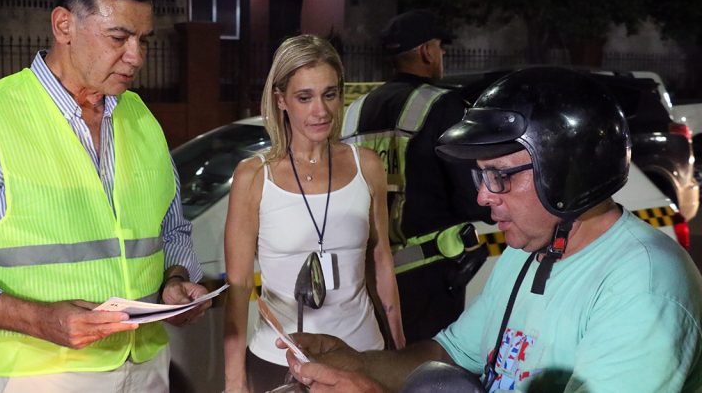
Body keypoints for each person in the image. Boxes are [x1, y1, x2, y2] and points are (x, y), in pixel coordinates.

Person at [280, 67, 702, 392]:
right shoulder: (526, 252)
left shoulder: (644, 287)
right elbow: (449, 354)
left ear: (566, 175)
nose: (483, 196)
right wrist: (356, 363)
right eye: (480, 176)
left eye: (499, 176)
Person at [0, 0, 211, 392]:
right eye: (118, 37)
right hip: (40, 375)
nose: (136, 57)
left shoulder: (142, 119)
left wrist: (176, 280)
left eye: (143, 40)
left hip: (147, 367)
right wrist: (41, 320)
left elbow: (172, 230)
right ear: (64, 25)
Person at [223, 34, 405, 393]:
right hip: (279, 361)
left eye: (330, 94)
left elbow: (381, 260)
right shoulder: (254, 176)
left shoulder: (367, 166)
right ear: (281, 100)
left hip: (363, 354)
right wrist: (234, 381)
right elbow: (239, 287)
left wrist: (399, 350)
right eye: (304, 97)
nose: (320, 111)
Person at [341, 9, 491, 342]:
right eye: (439, 47)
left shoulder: (354, 111)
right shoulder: (443, 106)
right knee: (426, 367)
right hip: (428, 278)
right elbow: (474, 197)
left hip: (367, 278)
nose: (441, 55)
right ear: (426, 51)